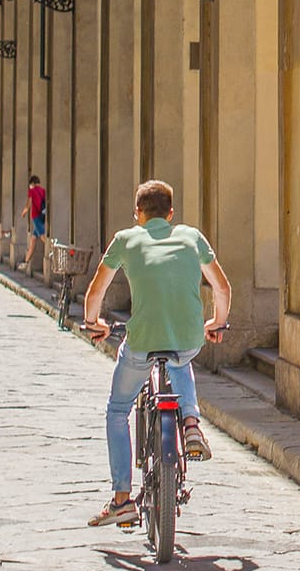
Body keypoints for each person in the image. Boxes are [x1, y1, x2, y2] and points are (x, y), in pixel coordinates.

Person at [83, 180, 231, 527]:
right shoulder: (192, 237)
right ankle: (191, 422)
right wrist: (217, 322)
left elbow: (95, 292)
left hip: (143, 340)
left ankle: (121, 499)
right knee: (181, 356)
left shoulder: (126, 239)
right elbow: (222, 287)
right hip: (189, 337)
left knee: (117, 411)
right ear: (171, 214)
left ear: (138, 215)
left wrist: (94, 322)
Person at [18, 173, 47, 272]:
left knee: (43, 237)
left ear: (33, 183)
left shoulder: (32, 191)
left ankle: (52, 250)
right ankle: (26, 262)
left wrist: (24, 212)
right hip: (42, 216)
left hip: (35, 217)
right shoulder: (43, 191)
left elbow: (29, 204)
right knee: (33, 240)